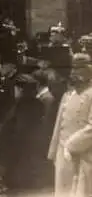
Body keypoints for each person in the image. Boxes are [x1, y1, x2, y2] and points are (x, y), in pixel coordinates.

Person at [48, 53, 92, 197]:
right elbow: (59, 125)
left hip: (84, 154)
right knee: (62, 191)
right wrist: (54, 151)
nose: (74, 73)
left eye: (79, 70)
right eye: (73, 69)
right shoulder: (67, 95)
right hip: (62, 154)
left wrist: (71, 145)